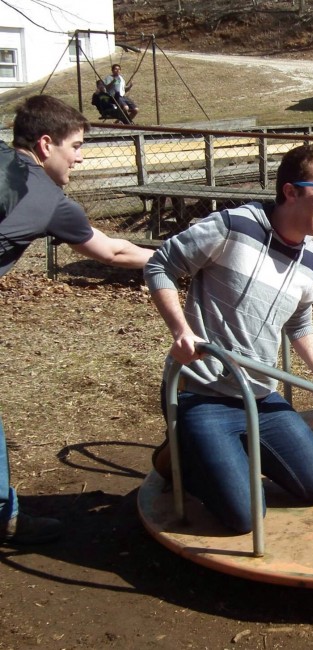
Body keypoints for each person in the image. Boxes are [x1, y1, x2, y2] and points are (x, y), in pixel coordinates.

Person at [144, 143, 313, 534]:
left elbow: (299, 322)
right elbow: (160, 265)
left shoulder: (310, 257)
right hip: (202, 393)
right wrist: (181, 330)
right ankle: (180, 455)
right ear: (290, 191)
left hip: (259, 394)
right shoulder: (233, 226)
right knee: (245, 517)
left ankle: (225, 455)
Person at [0, 95, 155, 545]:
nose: (81, 158)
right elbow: (114, 251)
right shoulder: (48, 199)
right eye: (77, 146)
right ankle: (5, 517)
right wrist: (183, 257)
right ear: (46, 144)